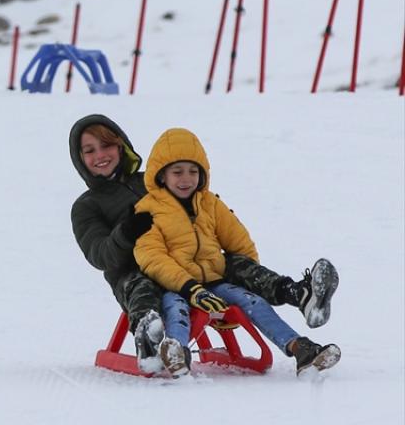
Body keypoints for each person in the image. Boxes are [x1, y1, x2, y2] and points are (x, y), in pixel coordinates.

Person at [134, 128, 340, 377]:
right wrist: (190, 288)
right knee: (176, 309)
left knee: (255, 303)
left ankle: (302, 350)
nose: (186, 179)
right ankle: (176, 351)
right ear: (161, 175)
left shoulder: (209, 203)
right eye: (177, 172)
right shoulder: (148, 210)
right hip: (174, 286)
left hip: (215, 282)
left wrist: (249, 278)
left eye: (193, 171)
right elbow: (152, 257)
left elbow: (238, 241)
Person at [68, 115, 172, 374]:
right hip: (131, 274)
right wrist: (126, 232)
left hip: (178, 260)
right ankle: (149, 339)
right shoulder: (86, 206)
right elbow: (99, 254)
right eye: (89, 151)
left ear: (120, 146)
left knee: (224, 264)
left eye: (106, 146)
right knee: (143, 288)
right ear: (81, 159)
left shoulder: (150, 180)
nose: (100, 155)